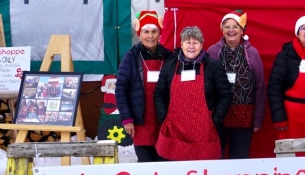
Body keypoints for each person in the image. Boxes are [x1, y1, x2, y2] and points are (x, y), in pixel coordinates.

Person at [154, 26, 232, 161]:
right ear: (181, 44)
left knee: (204, 174)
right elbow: (159, 94)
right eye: (187, 42)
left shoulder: (213, 66)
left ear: (201, 45)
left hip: (204, 131)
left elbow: (225, 95)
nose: (191, 46)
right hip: (175, 130)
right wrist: (164, 117)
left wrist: (216, 118)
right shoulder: (170, 66)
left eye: (195, 42)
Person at [114, 11, 175, 163]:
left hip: (163, 118)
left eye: (154, 31)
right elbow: (120, 89)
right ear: (139, 34)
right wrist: (127, 119)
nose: (150, 36)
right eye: (146, 31)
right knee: (145, 162)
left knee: (164, 160)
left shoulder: (168, 57)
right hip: (141, 120)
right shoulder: (130, 57)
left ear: (159, 33)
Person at [206, 10, 266, 159]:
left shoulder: (252, 53)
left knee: (239, 158)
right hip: (218, 115)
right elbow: (206, 85)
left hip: (244, 115)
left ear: (242, 30)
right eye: (227, 26)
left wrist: (258, 118)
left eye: (235, 26)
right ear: (222, 29)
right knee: (215, 156)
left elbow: (260, 87)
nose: (231, 30)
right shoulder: (213, 51)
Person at [267, 15, 305, 146]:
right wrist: (279, 117)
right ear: (297, 32)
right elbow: (274, 88)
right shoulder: (285, 55)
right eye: (304, 28)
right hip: (292, 116)